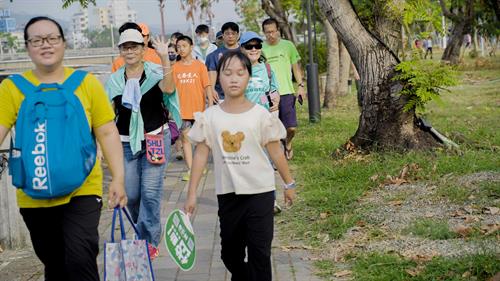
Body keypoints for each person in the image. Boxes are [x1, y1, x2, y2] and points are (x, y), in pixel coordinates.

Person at [0, 16, 127, 281]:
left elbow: (106, 131)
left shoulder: (87, 83)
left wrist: (118, 177)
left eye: (52, 38)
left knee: (80, 257)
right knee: (55, 264)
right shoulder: (11, 88)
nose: (45, 45)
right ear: (27, 47)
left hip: (83, 189)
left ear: (63, 43)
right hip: (33, 193)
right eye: (36, 40)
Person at [184, 51, 296, 281]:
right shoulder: (210, 116)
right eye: (227, 73)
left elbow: (276, 151)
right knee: (230, 255)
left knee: (260, 254)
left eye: (240, 73)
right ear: (219, 79)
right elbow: (200, 155)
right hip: (229, 195)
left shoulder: (260, 115)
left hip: (261, 193)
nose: (233, 79)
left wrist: (289, 183)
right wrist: (192, 194)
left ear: (248, 76)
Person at [105, 26, 181, 260]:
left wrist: (164, 58)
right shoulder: (115, 81)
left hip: (155, 138)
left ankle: (147, 241)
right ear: (120, 51)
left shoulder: (157, 72)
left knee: (150, 192)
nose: (129, 51)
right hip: (125, 143)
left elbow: (169, 89)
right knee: (133, 195)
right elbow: (108, 115)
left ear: (142, 48)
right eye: (125, 47)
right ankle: (143, 226)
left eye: (134, 46)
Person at [262, 18, 306, 160]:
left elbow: (296, 68)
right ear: (264, 33)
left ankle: (288, 142)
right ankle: (276, 155)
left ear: (278, 31)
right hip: (269, 93)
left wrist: (300, 86)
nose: (271, 35)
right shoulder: (261, 48)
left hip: (287, 91)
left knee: (291, 127)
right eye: (267, 32)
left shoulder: (288, 46)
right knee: (271, 126)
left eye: (273, 31)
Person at [172, 35, 212, 181]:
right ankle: (191, 169)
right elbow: (171, 90)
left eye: (184, 46)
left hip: (199, 109)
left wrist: (211, 106)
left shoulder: (200, 66)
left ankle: (199, 164)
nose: (181, 49)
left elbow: (207, 86)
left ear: (191, 47)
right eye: (178, 47)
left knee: (201, 140)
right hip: (182, 111)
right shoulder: (175, 68)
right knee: (186, 139)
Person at [239, 31, 280, 113]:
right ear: (241, 49)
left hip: (265, 115)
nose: (254, 49)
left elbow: (274, 91)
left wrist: (275, 102)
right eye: (249, 46)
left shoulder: (267, 68)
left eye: (257, 46)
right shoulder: (237, 70)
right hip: (243, 116)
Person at [205, 22, 240, 103]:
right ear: (223, 35)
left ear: (238, 35)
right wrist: (212, 90)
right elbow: (210, 74)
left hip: (243, 97)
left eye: (233, 33)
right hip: (221, 98)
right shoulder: (213, 56)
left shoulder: (246, 53)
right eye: (227, 33)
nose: (230, 36)